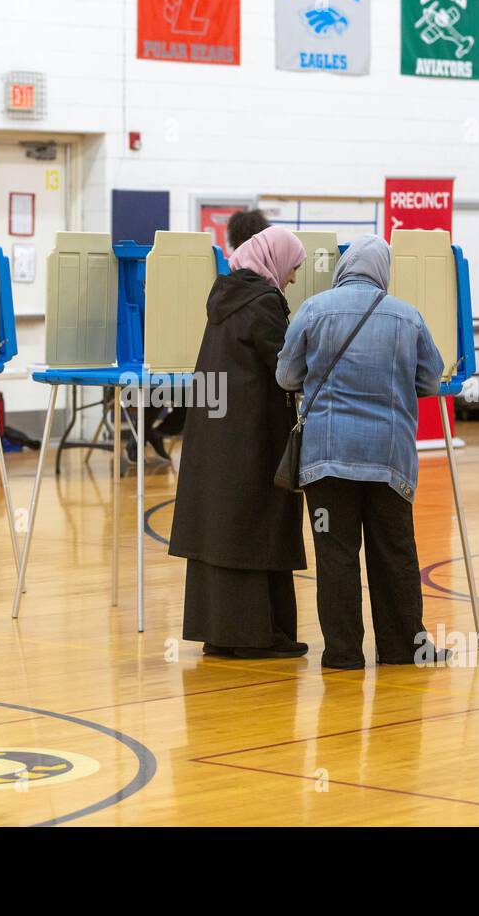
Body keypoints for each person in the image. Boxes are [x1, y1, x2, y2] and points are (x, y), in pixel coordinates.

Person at [276, 235, 451, 669]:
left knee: (336, 554)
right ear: (382, 271)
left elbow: (285, 375)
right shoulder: (407, 317)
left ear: (344, 267)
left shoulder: (313, 309)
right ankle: (402, 648)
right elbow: (431, 382)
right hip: (388, 461)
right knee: (394, 552)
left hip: (327, 460)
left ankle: (343, 652)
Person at [168, 226, 309, 659]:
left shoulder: (228, 295)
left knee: (221, 528)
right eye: (293, 268)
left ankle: (222, 632)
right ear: (275, 260)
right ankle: (256, 635)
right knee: (254, 524)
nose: (293, 278)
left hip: (216, 433)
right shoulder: (263, 304)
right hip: (251, 435)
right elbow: (287, 370)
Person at [130, 208, 274, 463]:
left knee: (170, 390)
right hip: (217, 364)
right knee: (194, 393)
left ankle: (144, 435)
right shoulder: (245, 275)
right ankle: (151, 434)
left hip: (184, 356)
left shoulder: (219, 267)